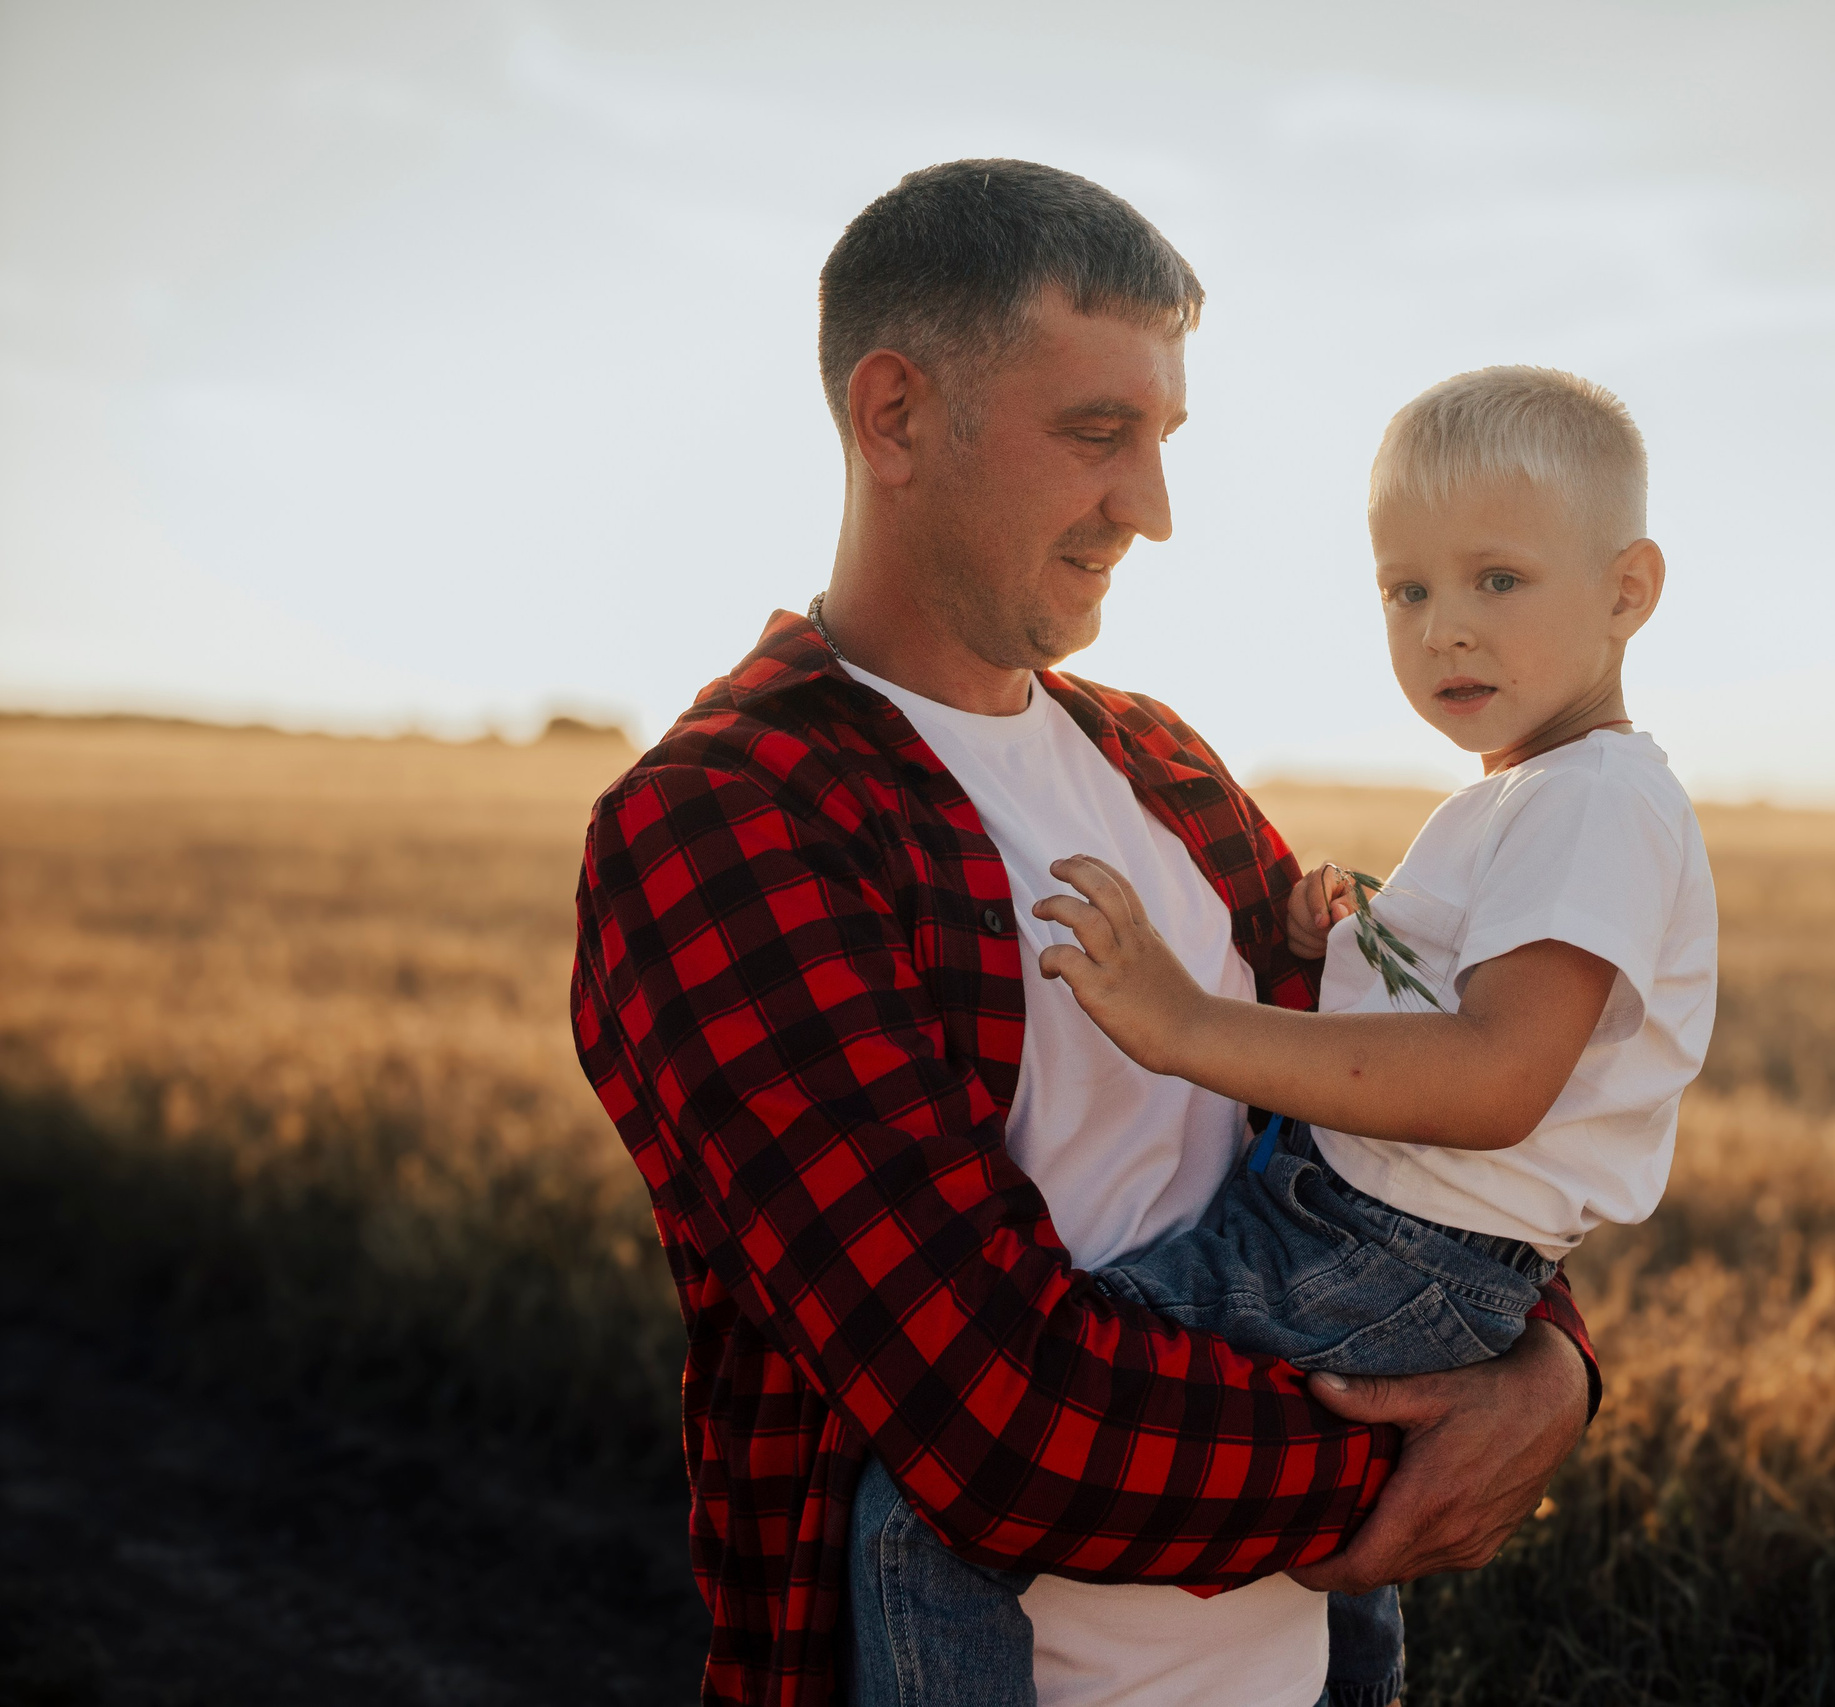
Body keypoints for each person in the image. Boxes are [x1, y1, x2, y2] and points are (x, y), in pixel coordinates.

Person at [568, 159, 1601, 1707]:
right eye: (1097, 435)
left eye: (1164, 439)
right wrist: (1441, 1441)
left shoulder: (1163, 766)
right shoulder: (732, 819)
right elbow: (994, 1422)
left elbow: (1408, 1131)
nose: (1154, 511)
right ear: (896, 415)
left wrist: (1555, 1368)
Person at [850, 367, 1718, 1707]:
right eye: (1405, 590)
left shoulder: (1592, 801)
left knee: (920, 1505)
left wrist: (1192, 1024)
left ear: (1628, 591)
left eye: (1498, 581)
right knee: (1344, 1540)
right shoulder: (1531, 798)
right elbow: (1462, 1031)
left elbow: (1496, 1082)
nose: (1445, 633)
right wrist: (1350, 952)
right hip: (1373, 1233)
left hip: (1382, 1249)